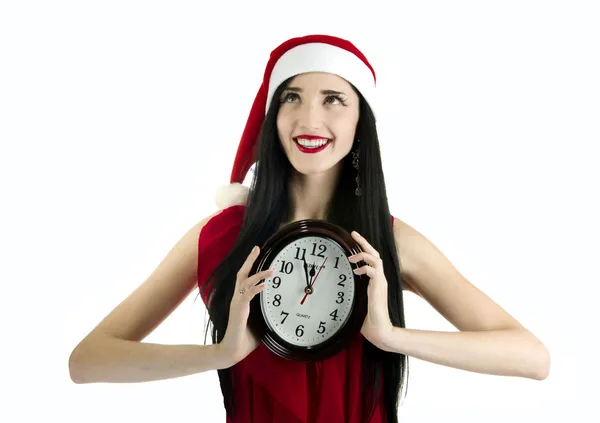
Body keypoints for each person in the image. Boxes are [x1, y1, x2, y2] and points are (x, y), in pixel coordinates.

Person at [68, 34, 551, 423]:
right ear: (273, 115)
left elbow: (531, 357)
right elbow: (87, 361)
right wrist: (220, 353)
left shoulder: (388, 242)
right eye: (292, 97)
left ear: (362, 120)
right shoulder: (219, 237)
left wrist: (392, 337)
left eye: (334, 98)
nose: (309, 118)